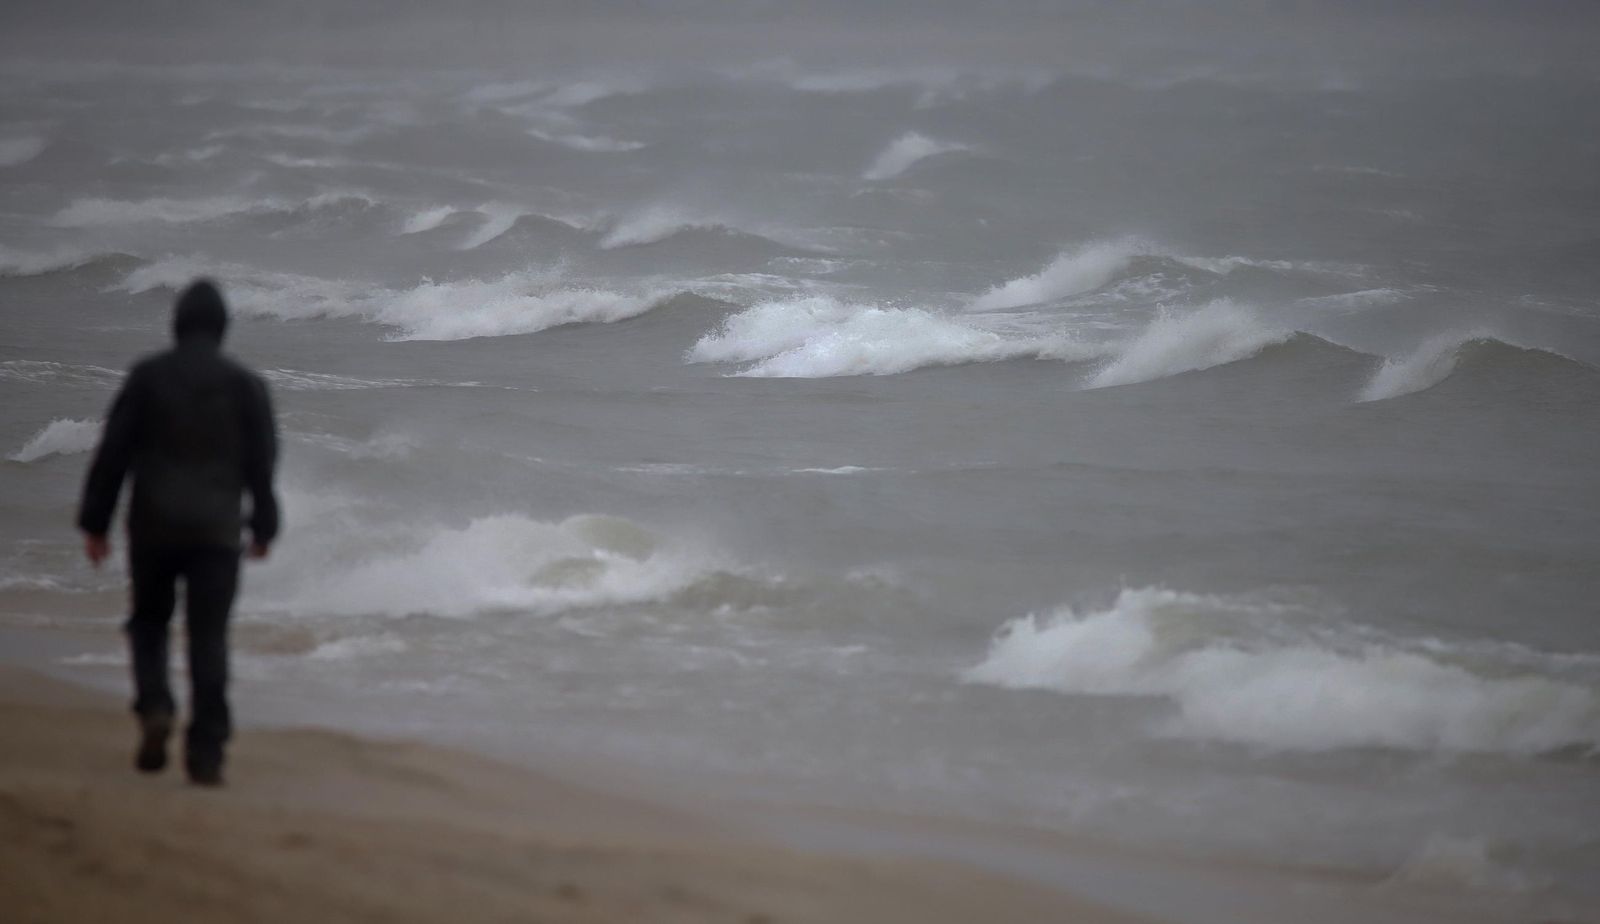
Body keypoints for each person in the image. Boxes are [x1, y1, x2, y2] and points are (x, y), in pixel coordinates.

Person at [77, 278, 280, 786]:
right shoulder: (245, 384)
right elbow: (262, 463)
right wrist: (264, 526)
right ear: (222, 327)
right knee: (208, 637)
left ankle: (155, 706)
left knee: (149, 623)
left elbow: (113, 453)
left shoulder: (148, 377)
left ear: (177, 324)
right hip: (216, 533)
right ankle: (206, 753)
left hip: (154, 528)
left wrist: (95, 523)